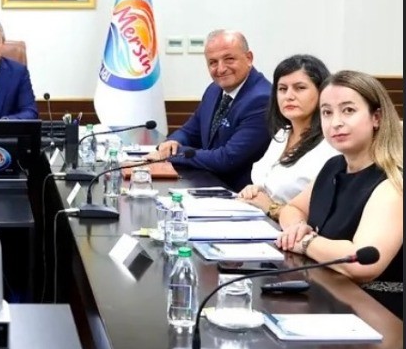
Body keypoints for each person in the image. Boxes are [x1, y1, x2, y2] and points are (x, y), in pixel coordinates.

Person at [276, 70, 403, 318]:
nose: (336, 122)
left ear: (376, 117)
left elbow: (362, 262)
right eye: (327, 112)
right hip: (329, 293)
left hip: (378, 311)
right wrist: (297, 228)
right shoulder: (334, 166)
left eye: (348, 111)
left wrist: (306, 243)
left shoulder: (393, 182)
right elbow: (292, 208)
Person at [150, 29, 271, 191]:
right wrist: (172, 143)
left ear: (248, 58)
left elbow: (227, 159)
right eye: (213, 62)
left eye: (229, 59)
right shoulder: (214, 90)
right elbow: (189, 131)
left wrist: (174, 153)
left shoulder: (262, 99)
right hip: (207, 183)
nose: (220, 69)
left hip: (238, 194)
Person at [237, 54, 340, 218]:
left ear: (322, 92)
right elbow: (265, 183)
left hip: (294, 229)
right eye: (282, 89)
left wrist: (271, 207)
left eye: (300, 88)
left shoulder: (331, 144)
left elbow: (322, 212)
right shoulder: (283, 133)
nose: (289, 96)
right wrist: (254, 190)